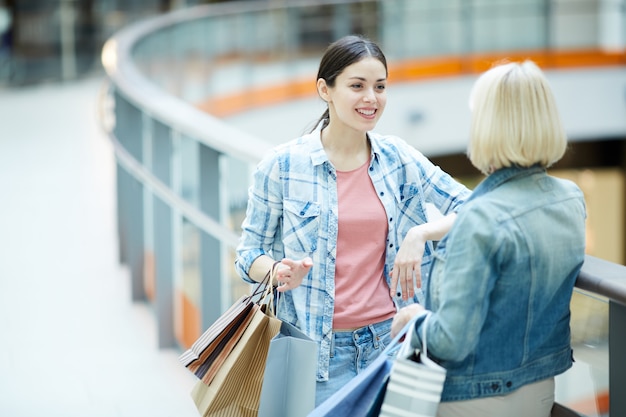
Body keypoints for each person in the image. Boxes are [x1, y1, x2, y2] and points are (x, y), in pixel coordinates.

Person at [234, 34, 471, 406]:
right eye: (357, 86)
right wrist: (279, 270)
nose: (371, 99)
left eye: (380, 87)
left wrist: (421, 233)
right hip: (317, 354)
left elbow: (475, 208)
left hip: (394, 343)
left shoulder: (400, 159)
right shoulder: (282, 165)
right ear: (324, 90)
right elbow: (248, 254)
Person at [391, 60, 587, 417]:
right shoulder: (570, 198)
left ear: (489, 124)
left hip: (473, 398)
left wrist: (414, 317)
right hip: (541, 389)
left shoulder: (481, 218)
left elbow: (450, 340)